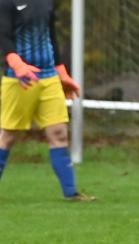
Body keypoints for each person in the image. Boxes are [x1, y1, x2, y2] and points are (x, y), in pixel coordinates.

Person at [0, 0, 95, 201]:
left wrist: (61, 72)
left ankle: (71, 193)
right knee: (7, 137)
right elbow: (3, 36)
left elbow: (50, 34)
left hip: (49, 77)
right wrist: (17, 65)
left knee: (59, 133)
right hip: (21, 79)